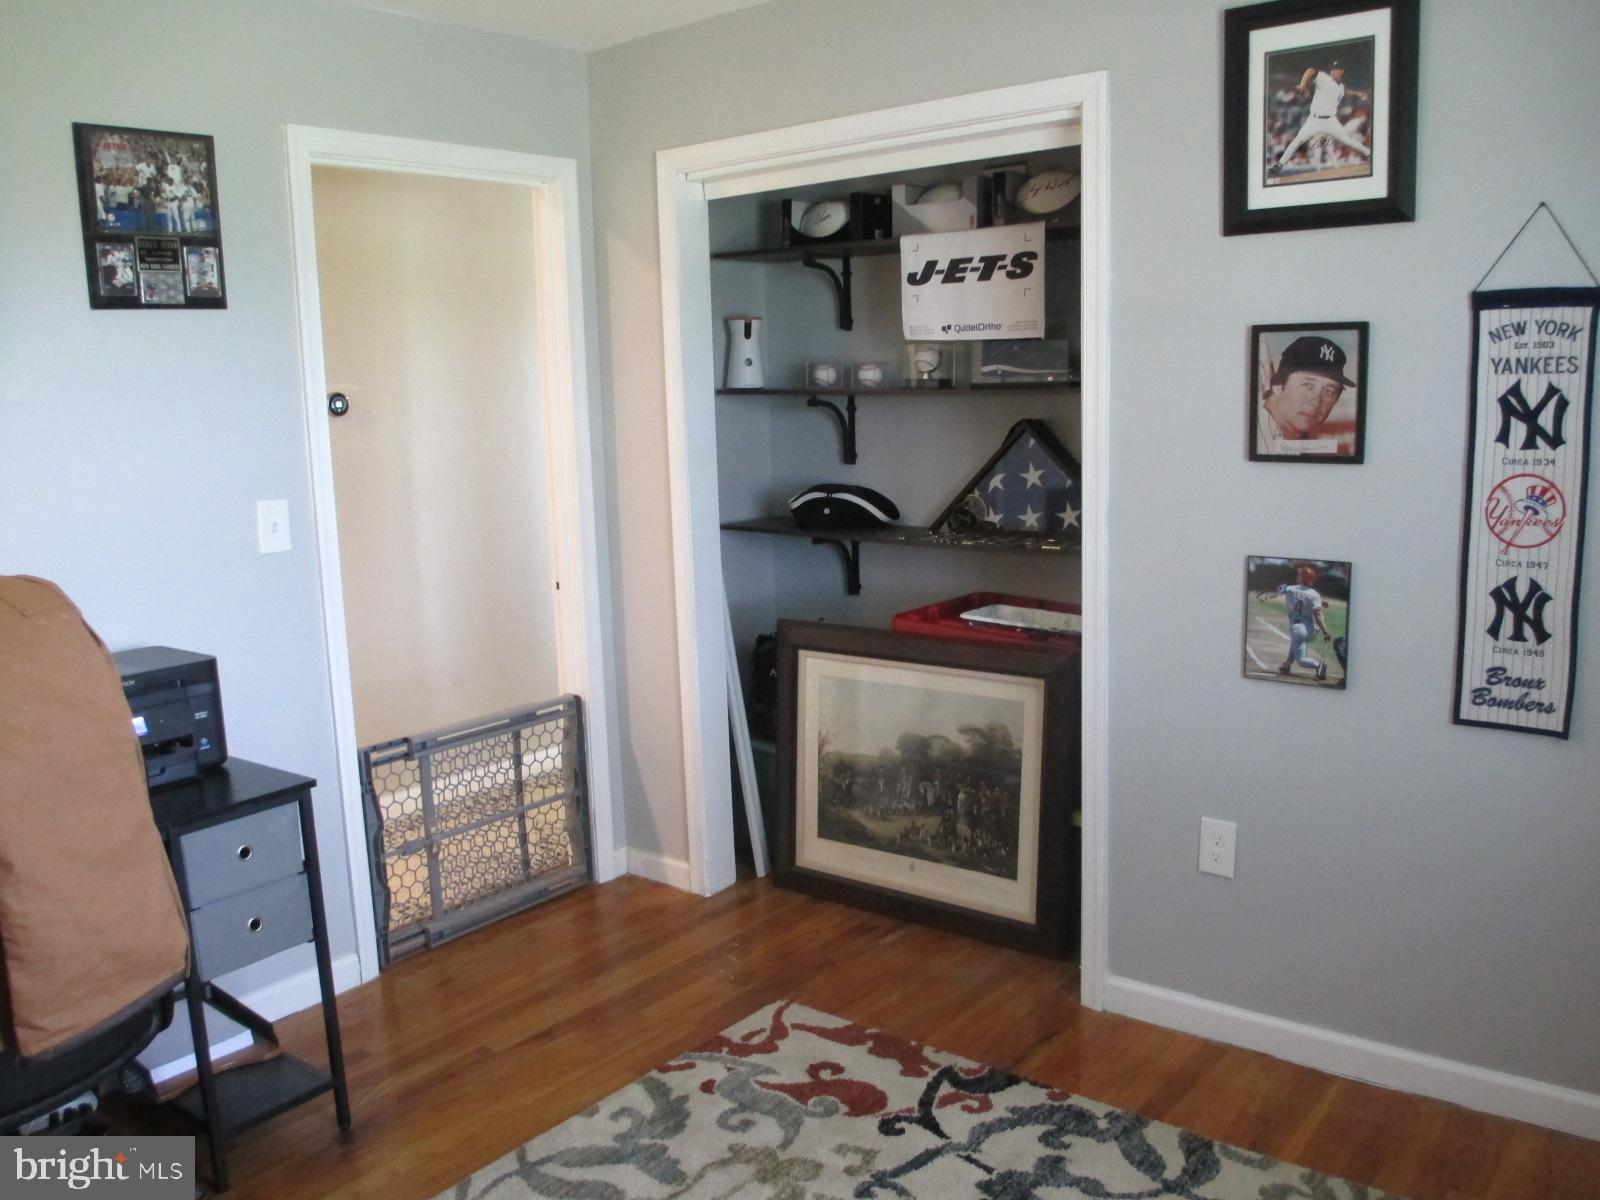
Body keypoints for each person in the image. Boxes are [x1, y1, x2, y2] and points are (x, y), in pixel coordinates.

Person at [1268, 60, 1371, 176]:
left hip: (1331, 121)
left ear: (1341, 71)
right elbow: (1310, 70)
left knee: (1348, 141)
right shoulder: (1324, 78)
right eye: (1332, 69)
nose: (1333, 71)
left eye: (1336, 69)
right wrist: (1302, 84)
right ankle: (1279, 165)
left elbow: (1345, 92)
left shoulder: (1340, 86)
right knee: (1297, 140)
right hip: (1314, 120)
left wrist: (1358, 94)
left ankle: (1369, 153)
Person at [1257, 334, 1355, 455]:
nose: (1316, 402)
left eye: (1329, 391)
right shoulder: (1249, 434)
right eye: (1308, 385)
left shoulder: (1306, 445)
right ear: (1278, 385)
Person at [1264, 565, 1333, 677]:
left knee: (1301, 660)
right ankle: (1287, 665)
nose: (1298, 575)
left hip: (1299, 630)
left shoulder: (1290, 588)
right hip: (1312, 630)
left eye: (1300, 574)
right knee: (1296, 642)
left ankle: (1319, 665)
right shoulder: (1314, 594)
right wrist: (1325, 631)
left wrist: (1276, 590)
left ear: (1302, 578)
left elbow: (1279, 590)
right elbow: (1318, 614)